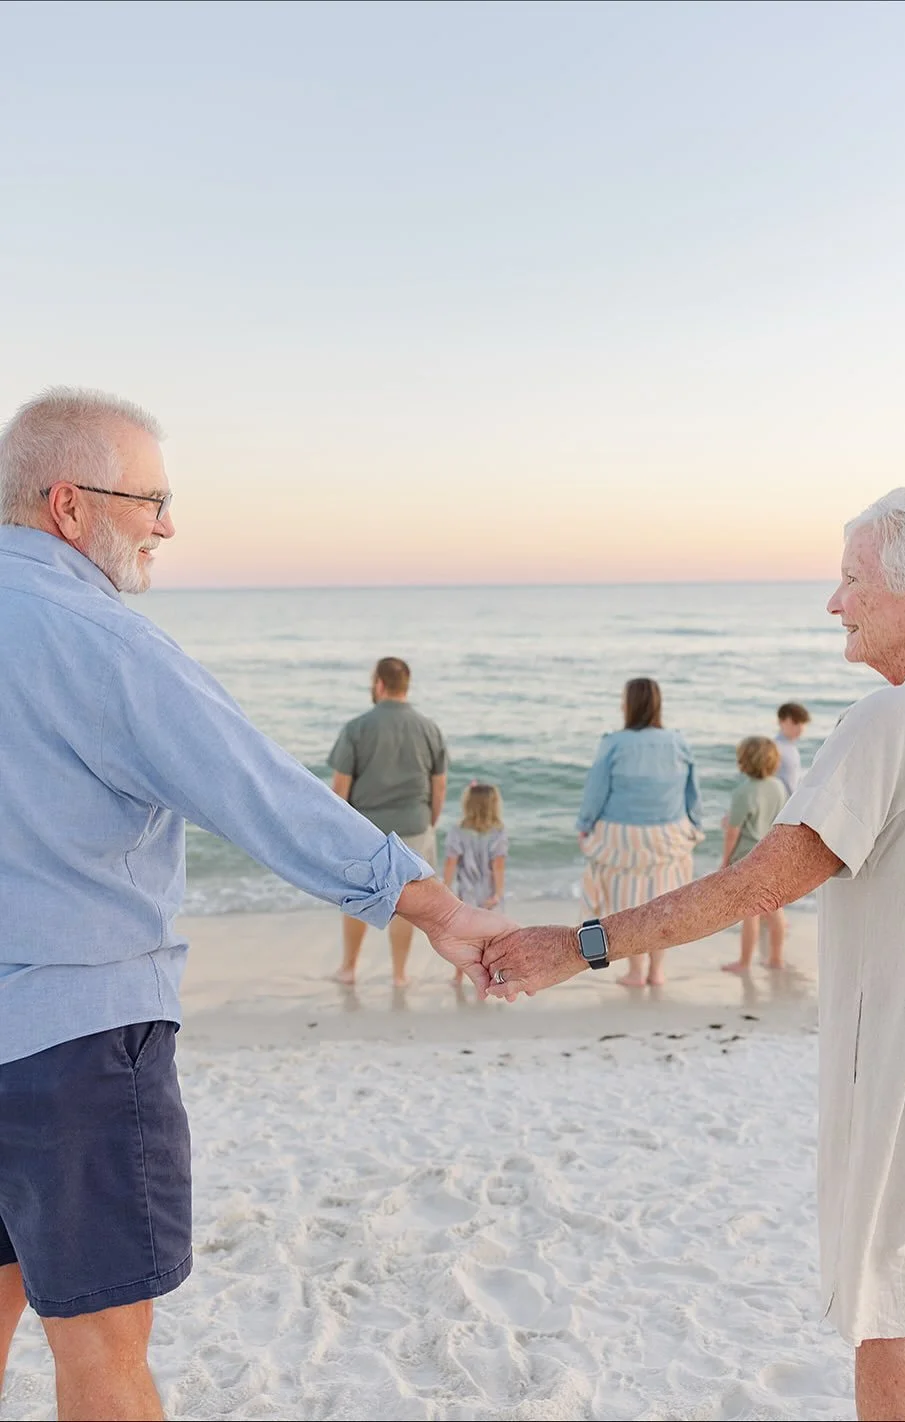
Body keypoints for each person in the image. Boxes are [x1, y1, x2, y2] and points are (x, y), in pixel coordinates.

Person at [484, 485, 905, 1422]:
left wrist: (578, 944)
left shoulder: (889, 723)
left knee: (883, 1303)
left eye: (851, 581)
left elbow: (755, 887)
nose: (834, 603)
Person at [0, 388, 511, 1422]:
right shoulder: (100, 639)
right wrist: (434, 907)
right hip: (76, 1043)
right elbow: (257, 791)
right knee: (102, 1354)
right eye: (151, 501)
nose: (167, 526)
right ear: (68, 504)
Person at [327, 657, 448, 987]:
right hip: (415, 826)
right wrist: (429, 822)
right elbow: (439, 785)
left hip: (367, 830)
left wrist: (338, 829)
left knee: (357, 898)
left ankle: (349, 969)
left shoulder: (357, 728)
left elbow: (340, 787)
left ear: (379, 684)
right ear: (406, 685)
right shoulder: (428, 728)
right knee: (407, 903)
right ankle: (399, 974)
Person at [575, 677, 703, 988]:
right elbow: (691, 792)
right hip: (668, 835)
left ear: (628, 704)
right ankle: (657, 971)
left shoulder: (613, 743)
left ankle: (635, 972)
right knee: (662, 906)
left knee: (627, 905)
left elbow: (596, 792)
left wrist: (585, 825)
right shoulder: (677, 741)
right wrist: (695, 824)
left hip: (622, 838)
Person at [720, 737, 788, 973]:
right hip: (771, 854)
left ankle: (744, 962)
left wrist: (725, 862)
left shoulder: (743, 791)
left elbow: (733, 832)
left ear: (744, 762)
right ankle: (776, 959)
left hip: (747, 858)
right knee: (774, 909)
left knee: (750, 914)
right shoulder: (778, 787)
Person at [443, 783, 509, 983]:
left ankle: (458, 976)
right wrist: (498, 893)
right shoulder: (498, 832)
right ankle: (493, 974)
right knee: (490, 936)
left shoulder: (458, 830)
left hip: (467, 892)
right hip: (489, 892)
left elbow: (451, 862)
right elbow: (498, 865)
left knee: (464, 936)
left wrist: (446, 888)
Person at [775, 700, 810, 797]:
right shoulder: (775, 748)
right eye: (795, 722)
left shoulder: (791, 747)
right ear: (781, 721)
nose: (800, 727)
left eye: (802, 723)